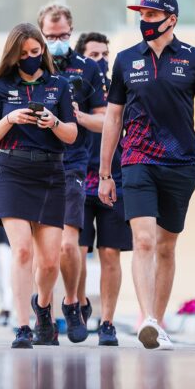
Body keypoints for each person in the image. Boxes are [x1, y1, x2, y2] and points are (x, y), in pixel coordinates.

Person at [98, 0, 195, 350]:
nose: (145, 21)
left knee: (166, 246)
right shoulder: (124, 60)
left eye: (152, 15)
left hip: (181, 163)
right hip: (136, 160)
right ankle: (147, 319)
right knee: (144, 240)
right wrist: (106, 172)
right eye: (142, 15)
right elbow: (113, 117)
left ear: (172, 19)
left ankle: (158, 321)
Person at [0, 22, 77, 349]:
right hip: (11, 170)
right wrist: (10, 119)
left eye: (35, 52)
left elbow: (72, 135)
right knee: (22, 250)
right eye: (23, 54)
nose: (30, 58)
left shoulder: (59, 86)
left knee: (50, 261)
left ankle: (44, 306)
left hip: (51, 172)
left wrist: (54, 122)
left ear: (43, 52)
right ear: (13, 55)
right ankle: (22, 326)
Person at [37, 3, 107, 343]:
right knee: (41, 252)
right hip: (35, 164)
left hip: (74, 164)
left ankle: (72, 303)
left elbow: (105, 120)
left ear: (72, 32)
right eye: (50, 36)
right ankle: (43, 314)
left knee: (68, 245)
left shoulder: (88, 69)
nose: (57, 41)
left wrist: (75, 116)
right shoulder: (30, 68)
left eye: (62, 35)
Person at [75, 32, 133, 346]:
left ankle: (107, 322)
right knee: (75, 252)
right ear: (82, 57)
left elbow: (120, 124)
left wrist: (83, 118)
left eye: (105, 54)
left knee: (110, 254)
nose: (101, 60)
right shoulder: (72, 86)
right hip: (78, 180)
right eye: (94, 54)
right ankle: (79, 302)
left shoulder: (118, 88)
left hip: (115, 180)